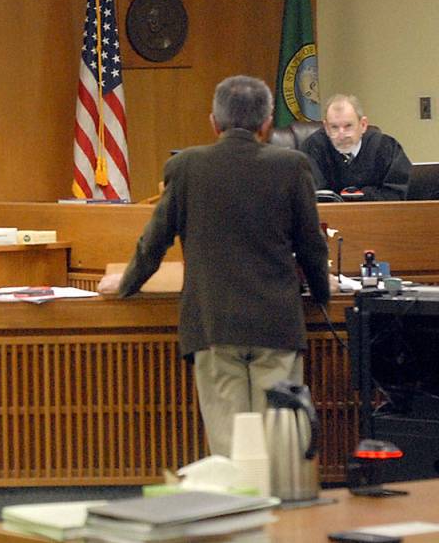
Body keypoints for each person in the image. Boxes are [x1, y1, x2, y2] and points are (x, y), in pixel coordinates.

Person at [97, 75, 332, 457]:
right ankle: (278, 498)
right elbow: (311, 245)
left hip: (213, 323)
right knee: (280, 446)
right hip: (275, 324)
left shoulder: (186, 166)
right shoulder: (292, 165)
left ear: (214, 121)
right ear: (266, 123)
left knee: (230, 448)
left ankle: (237, 496)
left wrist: (127, 284)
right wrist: (322, 294)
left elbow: (154, 242)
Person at [299, 94, 411, 200]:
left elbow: (399, 194)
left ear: (363, 125)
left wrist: (363, 196)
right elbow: (310, 197)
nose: (342, 135)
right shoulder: (312, 148)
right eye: (334, 127)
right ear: (326, 128)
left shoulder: (386, 147)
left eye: (348, 126)